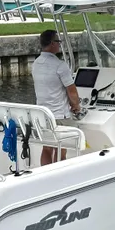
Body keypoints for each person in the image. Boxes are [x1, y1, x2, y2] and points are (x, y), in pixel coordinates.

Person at [31, 29, 81, 166]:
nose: (59, 44)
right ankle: (59, 177)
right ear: (52, 43)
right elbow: (72, 91)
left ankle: (45, 175)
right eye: (58, 41)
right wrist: (76, 106)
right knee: (61, 149)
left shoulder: (35, 64)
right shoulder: (60, 65)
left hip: (43, 114)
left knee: (47, 148)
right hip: (59, 115)